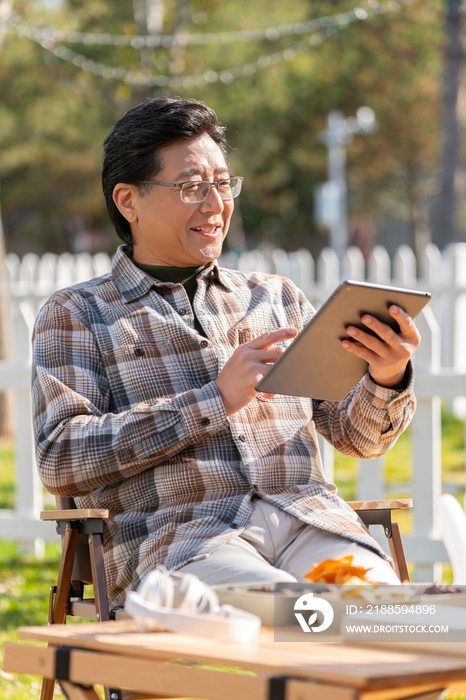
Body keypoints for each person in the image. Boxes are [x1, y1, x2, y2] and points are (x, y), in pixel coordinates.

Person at [32, 98, 420, 609]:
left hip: (309, 522)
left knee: (401, 622)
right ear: (128, 200)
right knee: (304, 617)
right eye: (192, 186)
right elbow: (61, 457)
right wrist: (214, 400)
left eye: (222, 183)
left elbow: (357, 437)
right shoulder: (77, 314)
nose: (216, 204)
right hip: (187, 543)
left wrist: (386, 376)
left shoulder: (275, 298)